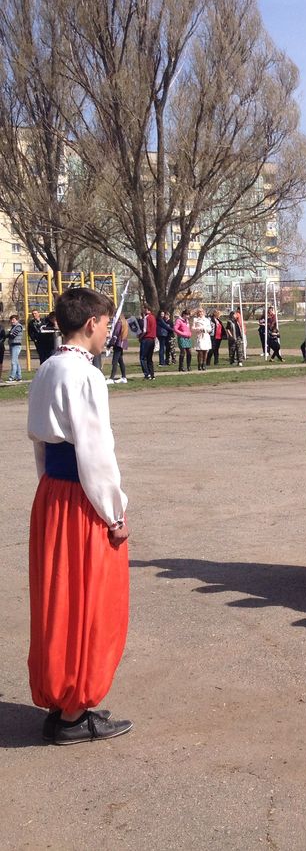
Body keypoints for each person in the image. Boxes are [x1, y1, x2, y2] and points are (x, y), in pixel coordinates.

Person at [26, 286, 132, 745]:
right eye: (106, 323)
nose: (108, 331)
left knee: (58, 598)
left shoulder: (47, 368)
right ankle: (74, 710)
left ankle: (62, 700)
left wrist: (49, 487)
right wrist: (114, 512)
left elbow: (40, 444)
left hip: (52, 493)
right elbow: (95, 453)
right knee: (89, 600)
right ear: (91, 323)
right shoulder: (85, 376)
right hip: (80, 500)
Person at [106, 315, 129, 384]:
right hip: (121, 343)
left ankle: (111, 378)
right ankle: (124, 377)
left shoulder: (119, 323)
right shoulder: (124, 322)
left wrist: (110, 344)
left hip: (118, 343)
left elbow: (115, 334)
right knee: (120, 361)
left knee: (114, 361)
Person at [138, 304, 157, 381]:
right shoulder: (153, 317)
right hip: (152, 339)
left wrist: (140, 336)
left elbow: (145, 330)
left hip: (146, 339)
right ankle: (152, 374)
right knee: (149, 358)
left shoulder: (146, 318)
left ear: (146, 309)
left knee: (143, 358)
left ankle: (147, 374)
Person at [192, 307, 212, 371]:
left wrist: (205, 329)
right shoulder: (195, 319)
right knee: (200, 351)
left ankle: (204, 364)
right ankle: (199, 364)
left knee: (205, 351)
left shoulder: (207, 320)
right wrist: (198, 329)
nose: (200, 313)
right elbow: (192, 328)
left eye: (201, 312)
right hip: (199, 336)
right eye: (199, 312)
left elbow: (210, 329)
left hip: (206, 336)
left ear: (204, 313)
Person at [7, 314, 24, 382]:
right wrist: (9, 334)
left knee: (13, 362)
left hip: (16, 346)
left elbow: (13, 335)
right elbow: (9, 335)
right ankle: (19, 377)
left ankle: (12, 377)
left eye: (13, 319)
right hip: (12, 345)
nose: (12, 321)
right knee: (16, 362)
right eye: (11, 320)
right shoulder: (13, 327)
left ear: (17, 320)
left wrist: (10, 334)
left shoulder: (18, 326)